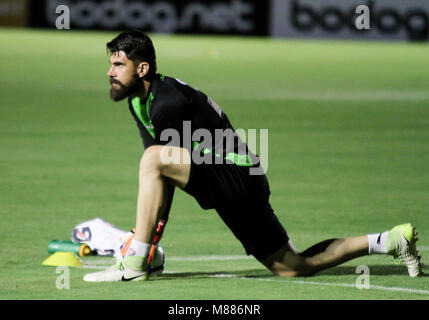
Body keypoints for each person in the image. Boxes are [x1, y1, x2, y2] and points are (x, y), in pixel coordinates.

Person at [83, 31, 423, 282]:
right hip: (228, 177)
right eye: (110, 64)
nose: (110, 72)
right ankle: (389, 240)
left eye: (118, 64)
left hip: (236, 175)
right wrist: (148, 235)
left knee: (154, 161)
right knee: (292, 266)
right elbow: (158, 178)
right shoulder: (138, 101)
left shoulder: (166, 102)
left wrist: (142, 246)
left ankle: (137, 263)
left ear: (141, 69)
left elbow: (159, 171)